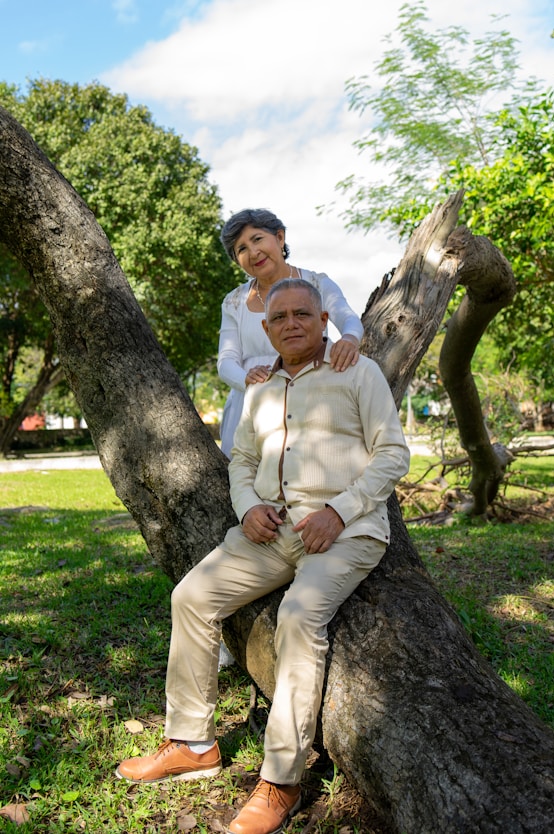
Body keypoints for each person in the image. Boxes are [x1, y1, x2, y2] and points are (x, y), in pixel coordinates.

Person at [117, 279, 410, 834]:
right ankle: (191, 743)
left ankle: (282, 780)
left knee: (299, 618)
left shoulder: (357, 372)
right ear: (268, 328)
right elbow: (241, 461)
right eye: (281, 317)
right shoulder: (259, 389)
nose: (292, 323)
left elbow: (393, 453)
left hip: (344, 534)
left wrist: (340, 512)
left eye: (304, 313)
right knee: (192, 597)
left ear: (323, 320)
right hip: (269, 532)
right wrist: (248, 506)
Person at [217, 208, 364, 458]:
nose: (253, 252)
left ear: (280, 238)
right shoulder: (234, 301)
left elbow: (348, 319)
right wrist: (248, 381)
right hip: (251, 404)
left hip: (310, 395)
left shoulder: (317, 283)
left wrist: (350, 339)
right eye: (241, 249)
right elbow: (226, 361)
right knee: (247, 484)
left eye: (257, 239)